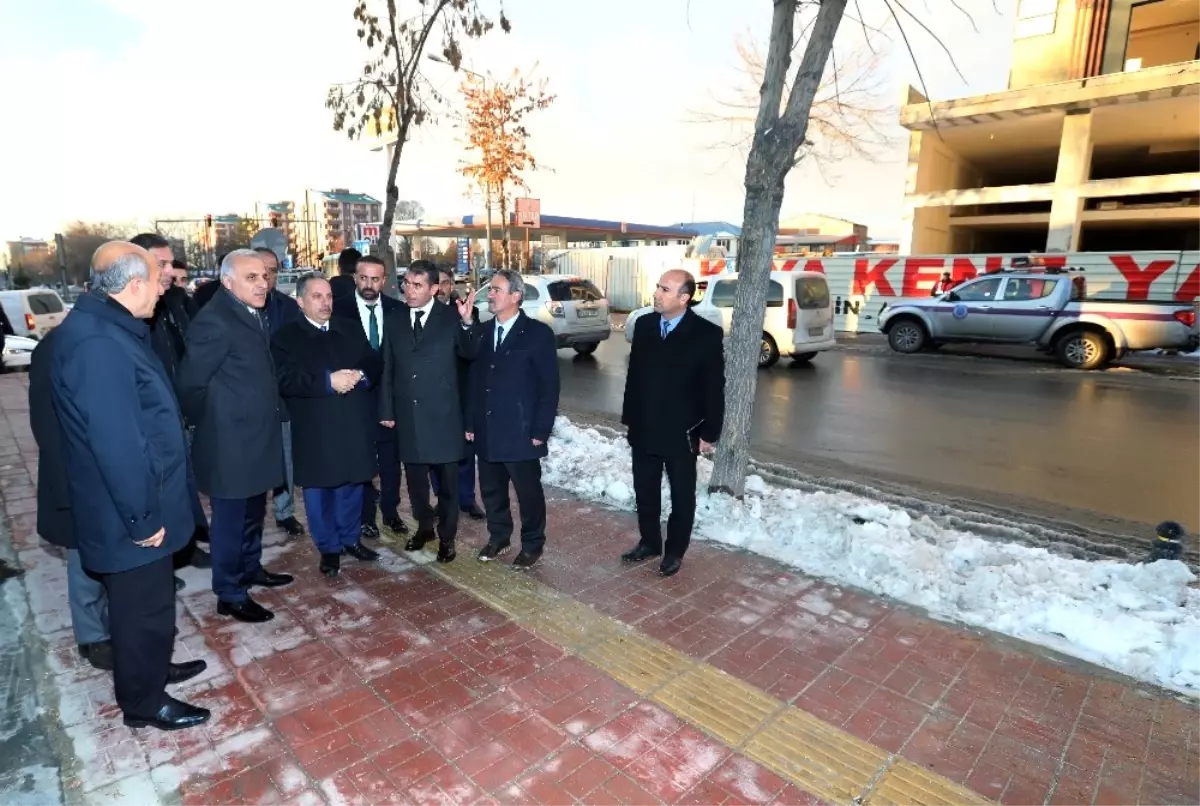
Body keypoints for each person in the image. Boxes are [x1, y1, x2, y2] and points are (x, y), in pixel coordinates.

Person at [48, 241, 208, 730]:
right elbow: (116, 440)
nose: (164, 291)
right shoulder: (97, 342)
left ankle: (151, 670)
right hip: (129, 515)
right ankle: (143, 702)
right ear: (134, 284)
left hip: (134, 506)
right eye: (158, 281)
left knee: (149, 605)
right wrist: (142, 517)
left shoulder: (108, 327)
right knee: (140, 610)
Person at [177, 249, 292, 623]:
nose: (263, 284)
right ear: (227, 282)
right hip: (230, 444)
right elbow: (191, 384)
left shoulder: (251, 313)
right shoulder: (215, 321)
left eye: (264, 276)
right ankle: (230, 592)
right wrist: (213, 423)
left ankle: (249, 568)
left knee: (252, 514)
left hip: (255, 439)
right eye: (252, 278)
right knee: (229, 522)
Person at [273, 274, 381, 577]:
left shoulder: (348, 327)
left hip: (352, 422)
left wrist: (359, 375)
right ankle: (329, 549)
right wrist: (327, 382)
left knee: (352, 484)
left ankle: (350, 539)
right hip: (315, 426)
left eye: (329, 296)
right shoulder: (286, 337)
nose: (325, 303)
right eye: (317, 297)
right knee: (319, 491)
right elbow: (284, 379)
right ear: (300, 302)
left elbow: (374, 360)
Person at [620, 270, 724, 577]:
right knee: (645, 490)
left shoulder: (705, 333)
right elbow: (634, 378)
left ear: (684, 298)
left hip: (682, 431)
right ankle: (649, 542)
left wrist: (709, 431)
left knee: (682, 495)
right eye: (657, 286)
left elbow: (713, 387)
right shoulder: (644, 325)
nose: (657, 293)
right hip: (645, 426)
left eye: (665, 289)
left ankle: (675, 550)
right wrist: (630, 418)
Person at [378, 260, 478, 563]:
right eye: (407, 283)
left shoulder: (452, 317)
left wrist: (467, 323)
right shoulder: (394, 318)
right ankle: (424, 528)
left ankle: (447, 537)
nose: (409, 290)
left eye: (417, 284)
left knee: (448, 486)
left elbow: (470, 353)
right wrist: (386, 409)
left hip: (444, 417)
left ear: (435, 289)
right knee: (417, 483)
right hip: (408, 415)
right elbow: (387, 367)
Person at [30, 325, 112, 671]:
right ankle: (92, 636)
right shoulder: (58, 344)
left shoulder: (113, 335)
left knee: (107, 557)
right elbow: (46, 422)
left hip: (104, 471)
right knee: (84, 561)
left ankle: (107, 626)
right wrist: (67, 487)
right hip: (76, 475)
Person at [129, 233, 210, 576]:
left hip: (179, 407)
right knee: (158, 488)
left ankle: (184, 547)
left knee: (182, 484)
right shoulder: (133, 314)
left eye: (170, 263)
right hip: (149, 421)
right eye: (160, 263)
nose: (168, 270)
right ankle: (164, 562)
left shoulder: (173, 303)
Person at [467, 270, 559, 568]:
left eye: (496, 290)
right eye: (490, 290)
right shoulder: (480, 332)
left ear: (516, 296)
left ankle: (533, 543)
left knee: (528, 493)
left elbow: (549, 386)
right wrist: (470, 423)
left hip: (521, 430)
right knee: (492, 490)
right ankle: (499, 536)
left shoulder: (537, 334)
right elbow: (472, 380)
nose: (490, 295)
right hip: (487, 428)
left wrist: (541, 429)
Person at [332, 255, 406, 539]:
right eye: (363, 278)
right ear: (355, 278)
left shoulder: (398, 311)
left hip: (390, 399)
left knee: (390, 460)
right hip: (353, 399)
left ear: (384, 281)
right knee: (362, 460)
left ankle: (391, 511)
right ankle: (365, 517)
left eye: (375, 279)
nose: (369, 284)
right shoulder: (339, 311)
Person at [254, 247, 306, 538]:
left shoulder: (287, 307)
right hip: (249, 399)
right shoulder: (235, 307)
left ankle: (284, 511)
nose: (267, 277)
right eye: (261, 270)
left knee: (285, 457)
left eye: (273, 270)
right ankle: (252, 512)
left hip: (283, 395)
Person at [432, 266, 484, 520]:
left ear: (452, 285)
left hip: (461, 393)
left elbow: (476, 350)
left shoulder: (467, 312)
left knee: (464, 450)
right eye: (436, 283)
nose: (440, 288)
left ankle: (466, 499)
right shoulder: (418, 313)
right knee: (434, 453)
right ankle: (442, 499)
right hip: (432, 396)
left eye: (445, 283)